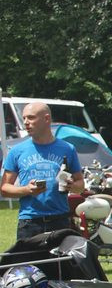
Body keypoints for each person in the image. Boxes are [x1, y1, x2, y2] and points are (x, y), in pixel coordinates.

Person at [1, 102, 84, 240]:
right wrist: (27, 189)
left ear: (46, 119)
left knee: (58, 262)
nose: (26, 122)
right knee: (29, 262)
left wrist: (72, 186)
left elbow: (80, 185)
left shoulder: (67, 149)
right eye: (24, 118)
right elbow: (4, 188)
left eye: (31, 118)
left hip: (60, 219)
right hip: (30, 222)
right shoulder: (16, 151)